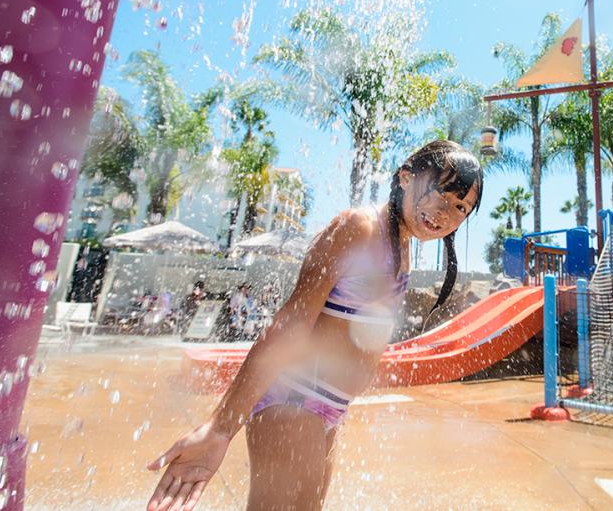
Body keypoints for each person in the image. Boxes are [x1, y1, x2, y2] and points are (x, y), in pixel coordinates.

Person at [146, 141, 484, 511]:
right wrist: (220, 427)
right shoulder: (358, 227)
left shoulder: (402, 247)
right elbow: (289, 324)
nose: (446, 213)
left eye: (461, 207)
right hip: (294, 399)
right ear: (406, 177)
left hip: (328, 408)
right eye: (441, 195)